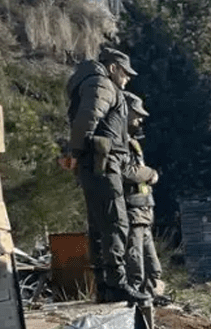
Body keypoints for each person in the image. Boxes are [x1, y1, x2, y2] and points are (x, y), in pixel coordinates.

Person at [63, 47, 148, 303]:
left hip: (100, 163)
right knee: (115, 222)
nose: (128, 78)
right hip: (103, 163)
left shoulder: (96, 84)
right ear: (113, 68)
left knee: (100, 225)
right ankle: (116, 283)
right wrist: (75, 153)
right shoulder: (103, 85)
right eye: (125, 72)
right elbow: (87, 120)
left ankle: (105, 285)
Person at [121, 92, 171, 305]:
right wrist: (150, 174)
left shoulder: (132, 142)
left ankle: (152, 294)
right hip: (132, 209)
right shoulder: (120, 142)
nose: (140, 120)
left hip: (143, 210)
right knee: (135, 260)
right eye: (136, 115)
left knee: (152, 263)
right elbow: (126, 171)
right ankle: (136, 297)